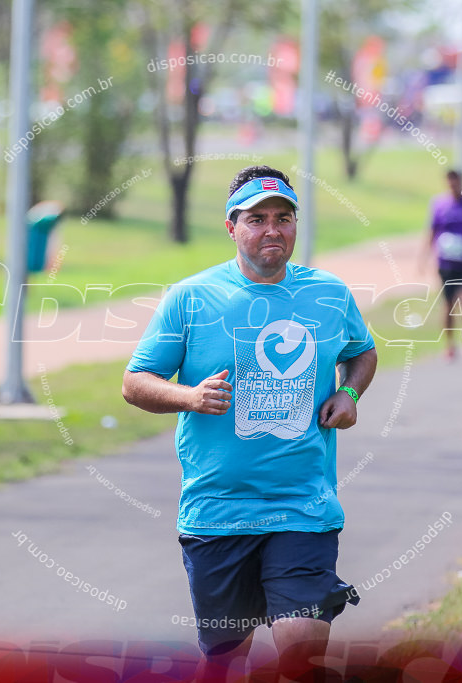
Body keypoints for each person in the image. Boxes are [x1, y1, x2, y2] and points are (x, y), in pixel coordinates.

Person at [122, 166, 377, 680]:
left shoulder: (328, 294)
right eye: (256, 219)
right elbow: (135, 382)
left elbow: (363, 351)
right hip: (217, 511)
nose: (272, 230)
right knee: (224, 661)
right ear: (231, 227)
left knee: (302, 654)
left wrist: (349, 392)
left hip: (302, 506)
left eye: (283, 218)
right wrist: (188, 396)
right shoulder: (191, 297)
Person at [420, 169, 462, 360]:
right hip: (446, 262)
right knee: (448, 305)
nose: (453, 186)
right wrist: (423, 258)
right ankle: (449, 343)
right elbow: (432, 231)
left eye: (456, 182)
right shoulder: (439, 205)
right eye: (450, 183)